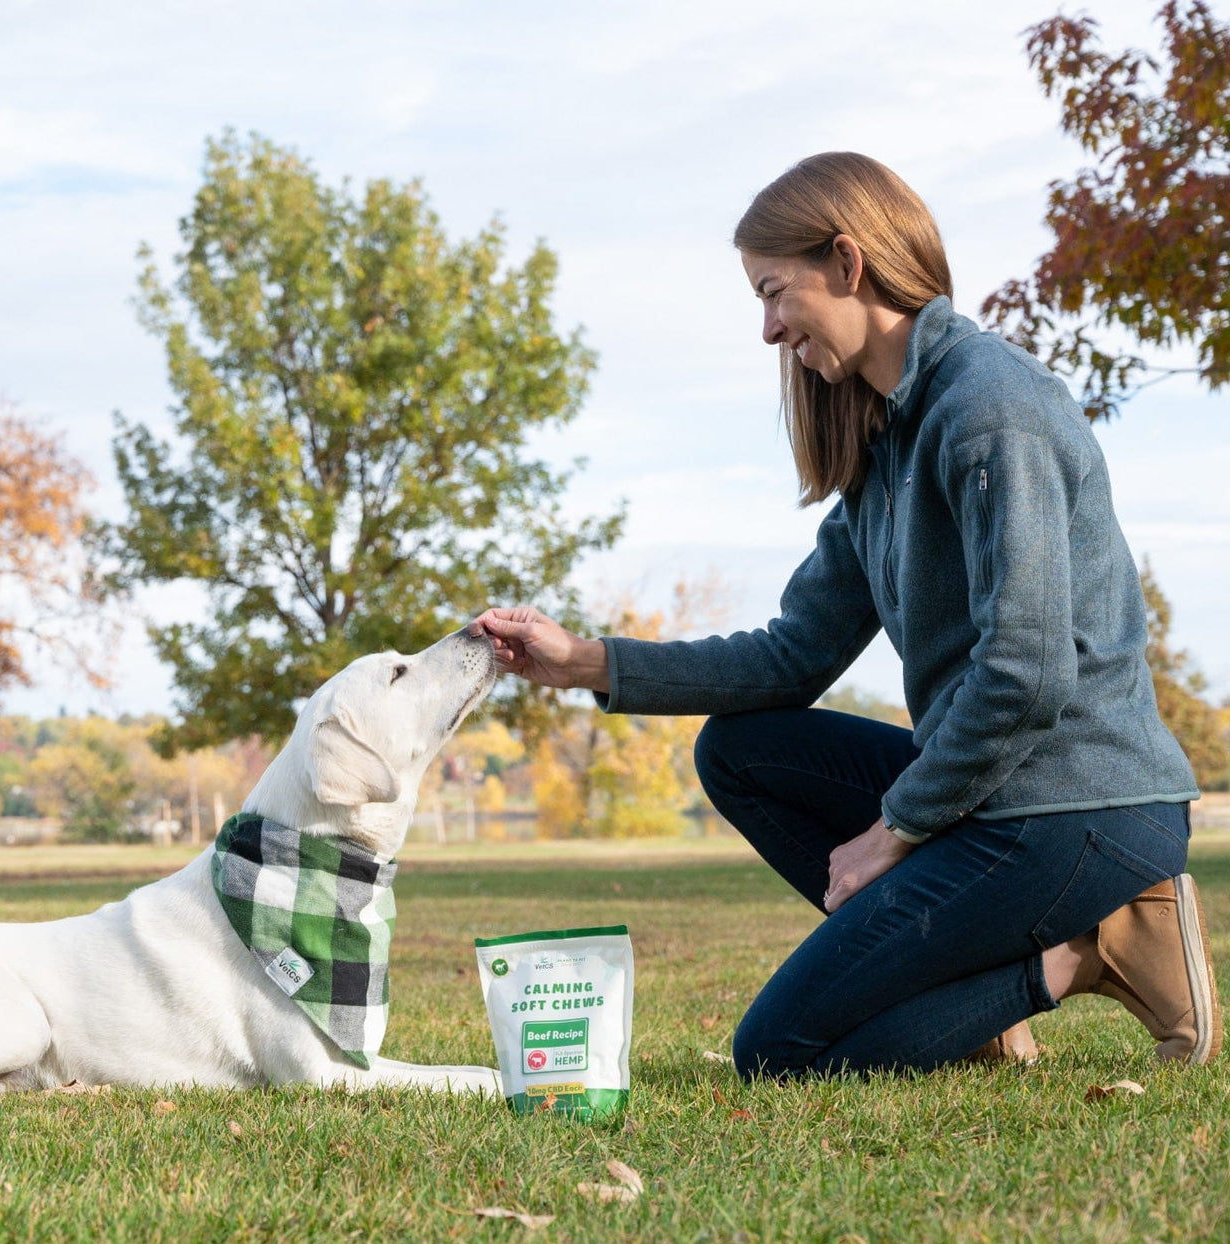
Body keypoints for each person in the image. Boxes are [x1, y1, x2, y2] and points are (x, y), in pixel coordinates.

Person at [471, 152, 1216, 1079]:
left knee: (780, 1053)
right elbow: (792, 655)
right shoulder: (885, 445)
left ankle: (1085, 949)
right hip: (990, 795)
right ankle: (969, 996)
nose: (768, 327)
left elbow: (1027, 674)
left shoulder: (991, 412)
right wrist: (584, 661)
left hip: (1084, 807)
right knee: (740, 751)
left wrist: (894, 828)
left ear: (850, 263)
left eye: (774, 291)